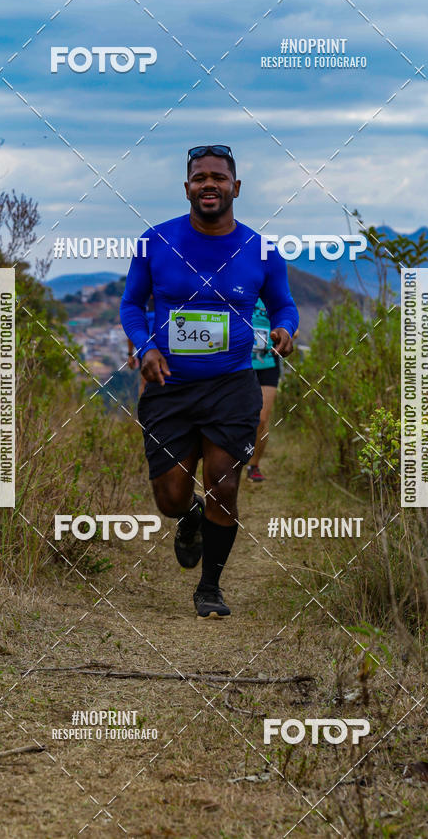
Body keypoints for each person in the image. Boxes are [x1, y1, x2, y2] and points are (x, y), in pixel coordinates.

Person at [120, 144, 299, 619]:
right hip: (169, 384)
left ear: (235, 187)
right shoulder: (154, 242)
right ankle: (190, 516)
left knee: (224, 486)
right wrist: (145, 345)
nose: (209, 185)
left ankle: (210, 587)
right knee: (171, 497)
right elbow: (131, 306)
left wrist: (285, 329)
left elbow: (284, 305)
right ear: (187, 188)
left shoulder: (260, 249)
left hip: (231, 385)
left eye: (218, 177)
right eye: (200, 177)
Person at [247, 299, 281, 483]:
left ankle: (254, 465)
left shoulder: (273, 290)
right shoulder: (240, 285)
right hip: (240, 363)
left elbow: (292, 325)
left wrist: (282, 333)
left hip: (268, 362)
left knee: (261, 418)